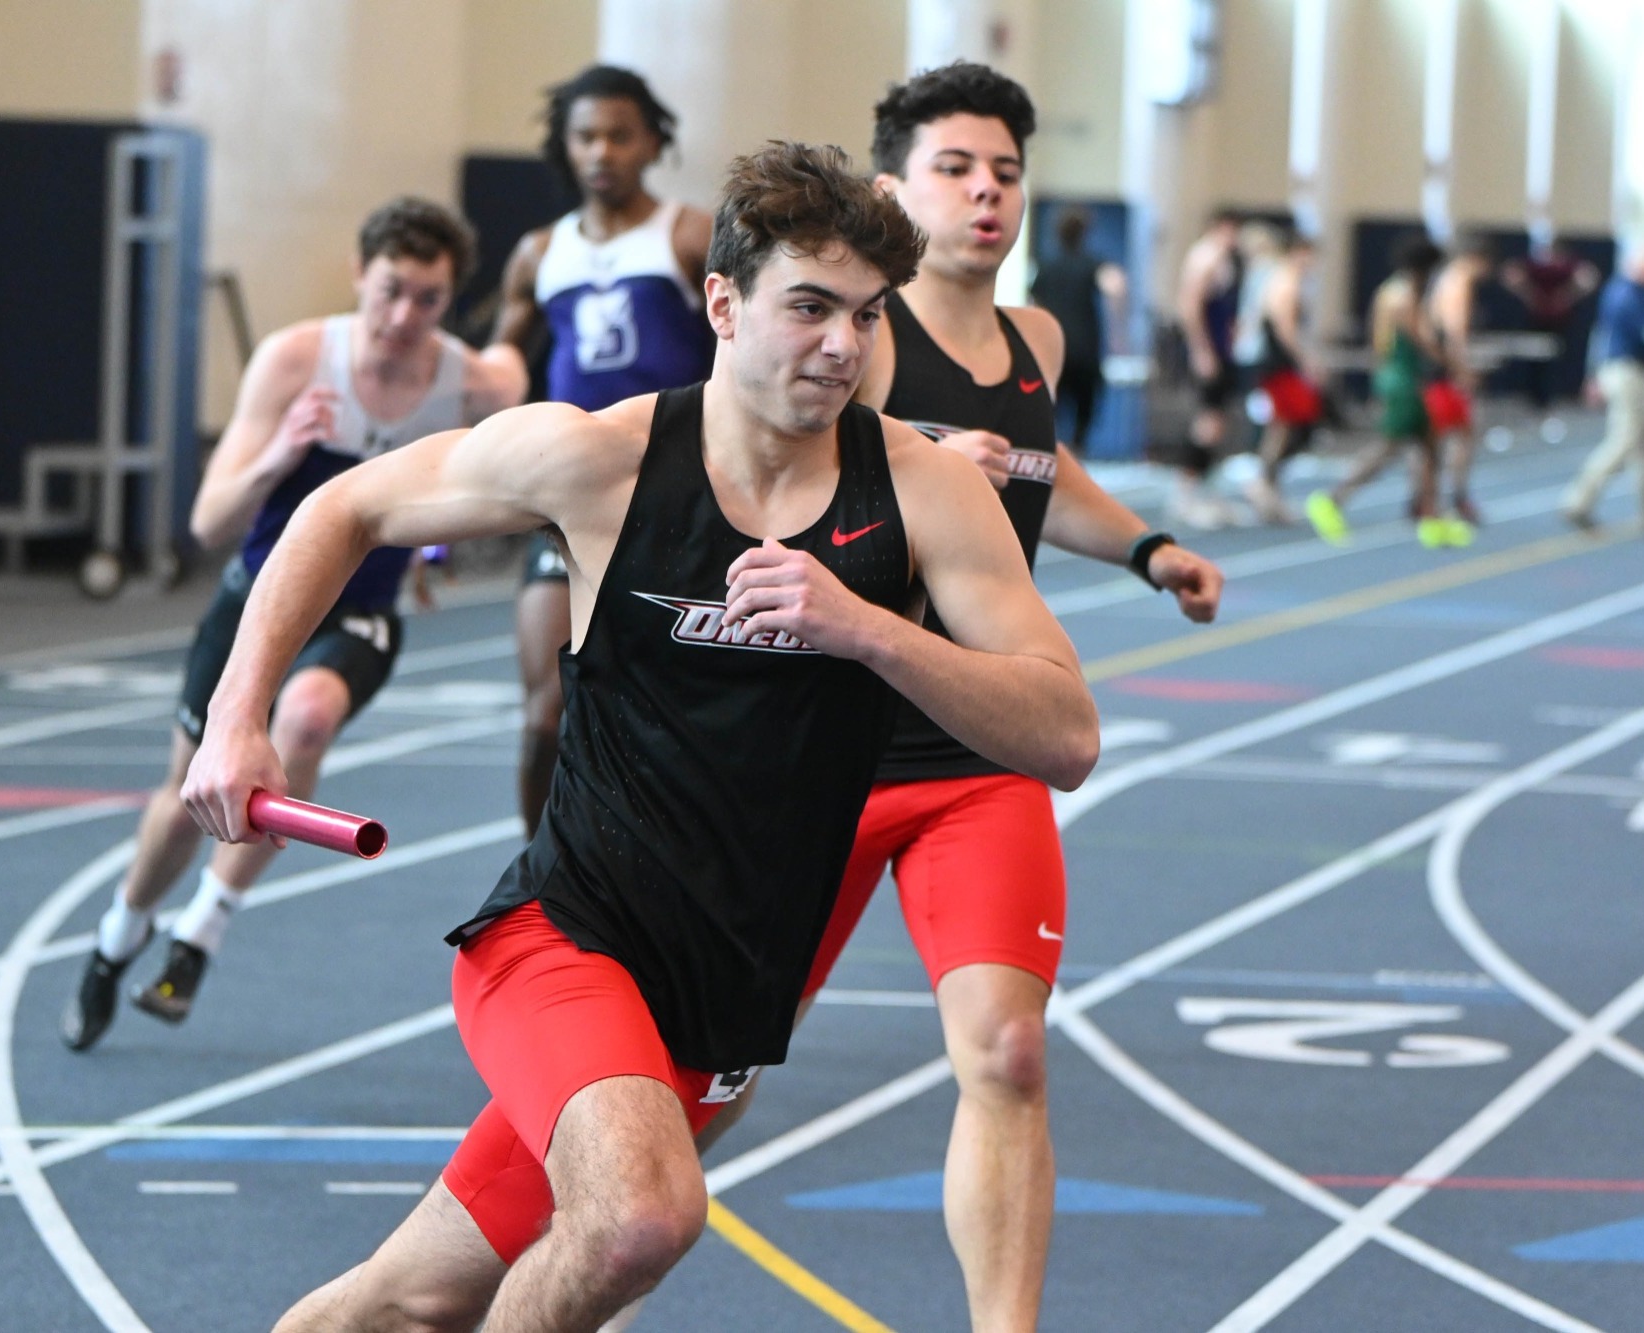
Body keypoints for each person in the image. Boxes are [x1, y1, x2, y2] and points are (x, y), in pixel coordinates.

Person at [181, 142, 1100, 1332]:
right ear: (721, 303)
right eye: (809, 308)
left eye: (866, 318)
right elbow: (342, 504)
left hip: (713, 1004)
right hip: (562, 941)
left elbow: (1066, 734)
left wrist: (869, 632)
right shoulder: (600, 459)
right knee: (642, 1217)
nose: (842, 346)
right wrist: (238, 719)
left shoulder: (921, 492)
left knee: (403, 1304)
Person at [623, 65, 1221, 1333]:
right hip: (823, 750)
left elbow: (1045, 482)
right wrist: (924, 458)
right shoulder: (858, 339)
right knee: (710, 1070)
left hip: (968, 744)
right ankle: (595, 1254)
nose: (987, 192)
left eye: (1005, 171)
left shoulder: (1038, 339)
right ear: (895, 188)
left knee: (1007, 1051)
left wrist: (1149, 550)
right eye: (956, 167)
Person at [59, 198, 527, 1051]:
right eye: (390, 291)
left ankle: (201, 932)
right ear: (359, 273)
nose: (402, 318)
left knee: (305, 720)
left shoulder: (475, 383)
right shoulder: (298, 360)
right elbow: (205, 524)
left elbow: (504, 426)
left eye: (428, 300)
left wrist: (433, 550)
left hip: (360, 613)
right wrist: (281, 454)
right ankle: (116, 939)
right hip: (256, 600)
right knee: (182, 803)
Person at [493, 64, 715, 839]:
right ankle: (534, 882)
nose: (602, 152)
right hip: (565, 502)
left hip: (676, 501)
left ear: (652, 142)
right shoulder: (536, 253)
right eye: (587, 136)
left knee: (667, 717)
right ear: (566, 144)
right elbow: (496, 378)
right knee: (546, 713)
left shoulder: (689, 236)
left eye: (620, 135)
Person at [1307, 234, 1445, 547]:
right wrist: (1453, 363)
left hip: (1396, 374)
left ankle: (1428, 515)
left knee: (1428, 448)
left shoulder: (1389, 291)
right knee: (1390, 447)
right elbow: (1420, 337)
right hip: (1402, 378)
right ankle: (1333, 498)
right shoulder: (1403, 296)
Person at [1241, 228, 1326, 525]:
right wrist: (1307, 360)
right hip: (1278, 363)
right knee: (1291, 422)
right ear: (1297, 252)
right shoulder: (1286, 280)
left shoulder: (1282, 278)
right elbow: (1284, 327)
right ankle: (1262, 483)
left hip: (1276, 361)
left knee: (1283, 426)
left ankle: (1267, 486)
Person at [1028, 206, 1126, 452]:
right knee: (1085, 412)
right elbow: (1116, 286)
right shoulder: (1091, 264)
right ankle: (1076, 454)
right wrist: (1117, 331)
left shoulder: (1046, 267)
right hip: (1085, 348)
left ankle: (1056, 459)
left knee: (1052, 411)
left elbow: (1033, 306)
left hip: (1055, 350)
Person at [1170, 206, 1244, 529]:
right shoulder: (1206, 258)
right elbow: (1189, 306)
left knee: (1216, 422)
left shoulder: (1224, 260)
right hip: (1208, 350)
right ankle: (1185, 491)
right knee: (1208, 421)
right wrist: (1201, 351)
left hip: (1220, 348)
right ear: (1219, 227)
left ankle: (1202, 487)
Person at [1561, 241, 1644, 529]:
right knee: (1624, 439)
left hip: (1624, 370)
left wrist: (1592, 374)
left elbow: (1598, 335)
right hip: (1627, 371)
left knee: (1639, 445)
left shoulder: (1622, 291)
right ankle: (1578, 499)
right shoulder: (1626, 296)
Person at [1425, 232, 1495, 528]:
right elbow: (1456, 331)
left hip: (1437, 368)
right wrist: (1462, 370)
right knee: (1458, 436)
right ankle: (1453, 497)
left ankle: (1434, 498)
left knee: (1440, 437)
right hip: (1446, 372)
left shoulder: (1442, 279)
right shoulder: (1459, 282)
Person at [1501, 236, 1600, 412]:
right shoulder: (1533, 265)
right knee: (1535, 360)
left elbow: (1589, 276)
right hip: (1536, 320)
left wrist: (1568, 296)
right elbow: (1510, 274)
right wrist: (1530, 295)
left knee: (1556, 360)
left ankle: (1552, 397)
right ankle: (1536, 399)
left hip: (1560, 321)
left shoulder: (1566, 266)